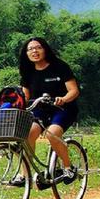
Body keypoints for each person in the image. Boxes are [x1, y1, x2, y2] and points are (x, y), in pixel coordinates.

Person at [13, 37, 80, 187]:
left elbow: (74, 90)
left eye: (38, 47)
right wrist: (15, 105)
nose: (34, 51)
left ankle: (69, 168)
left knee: (52, 133)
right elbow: (25, 96)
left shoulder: (59, 66)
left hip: (63, 108)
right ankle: (25, 175)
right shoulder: (27, 72)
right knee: (28, 133)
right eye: (30, 49)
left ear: (45, 49)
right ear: (26, 53)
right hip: (40, 110)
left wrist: (63, 99)